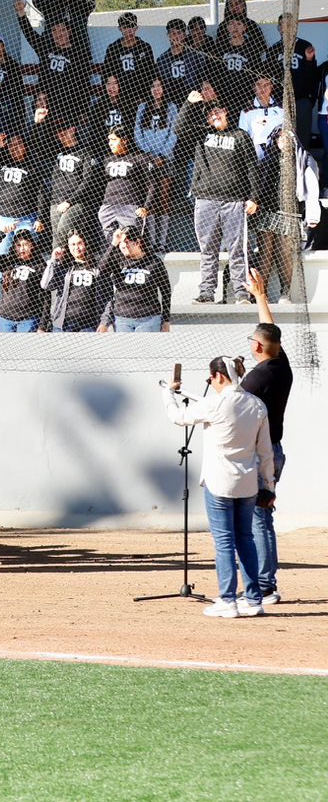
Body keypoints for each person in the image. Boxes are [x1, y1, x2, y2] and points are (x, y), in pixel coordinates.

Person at [166, 356, 276, 618]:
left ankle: (228, 599)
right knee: (245, 539)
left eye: (211, 378)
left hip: (219, 482)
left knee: (224, 541)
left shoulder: (215, 403)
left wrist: (167, 394)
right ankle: (253, 599)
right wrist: (268, 486)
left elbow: (178, 416)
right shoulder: (256, 405)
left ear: (218, 376)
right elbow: (266, 452)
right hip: (248, 483)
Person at [175, 91, 261, 303]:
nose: (214, 116)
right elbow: (179, 129)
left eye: (218, 112)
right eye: (210, 114)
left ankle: (241, 293)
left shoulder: (240, 136)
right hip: (205, 199)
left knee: (238, 249)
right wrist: (189, 103)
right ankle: (206, 293)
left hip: (234, 201)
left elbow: (252, 169)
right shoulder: (201, 134)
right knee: (208, 249)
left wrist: (253, 198)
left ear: (226, 112)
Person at [240, 269, 291, 604]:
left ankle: (265, 586)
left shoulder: (255, 381)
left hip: (260, 457)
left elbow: (230, 406)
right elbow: (272, 334)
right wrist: (260, 297)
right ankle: (266, 582)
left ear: (257, 347)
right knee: (262, 515)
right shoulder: (280, 365)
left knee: (258, 520)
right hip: (273, 451)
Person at [98, 225, 171, 332]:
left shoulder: (154, 262)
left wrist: (166, 320)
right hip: (122, 318)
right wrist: (113, 243)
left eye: (127, 242)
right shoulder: (118, 261)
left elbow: (166, 292)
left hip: (149, 318)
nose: (123, 245)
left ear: (137, 242)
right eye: (121, 243)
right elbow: (101, 270)